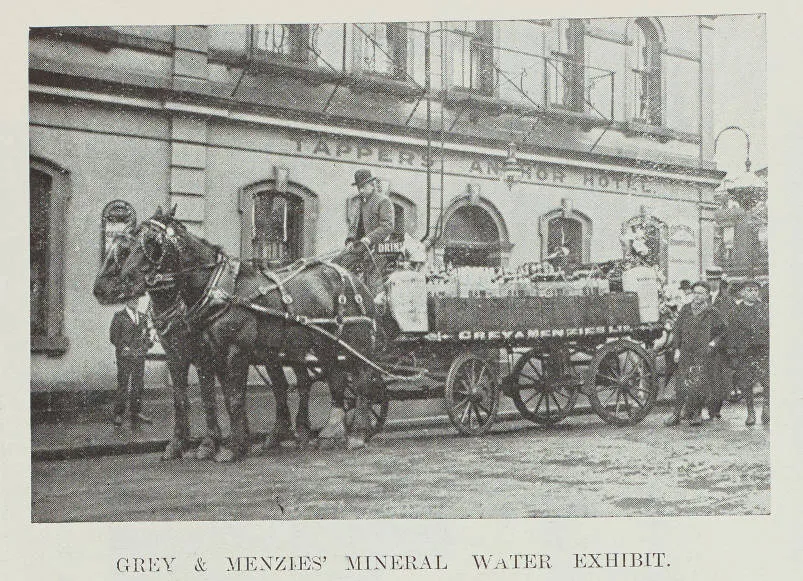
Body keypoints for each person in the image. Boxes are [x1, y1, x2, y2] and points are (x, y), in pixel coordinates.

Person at [664, 281, 727, 427]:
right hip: (686, 352)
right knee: (681, 384)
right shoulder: (686, 309)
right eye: (695, 293)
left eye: (701, 293)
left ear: (707, 295)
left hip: (702, 354)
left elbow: (723, 331)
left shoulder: (712, 312)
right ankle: (676, 414)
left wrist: (713, 343)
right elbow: (677, 331)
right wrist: (677, 349)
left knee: (698, 383)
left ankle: (696, 414)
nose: (697, 296)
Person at [338, 169, 395, 295]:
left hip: (378, 249)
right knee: (339, 265)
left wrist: (369, 238)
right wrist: (350, 240)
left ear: (372, 185)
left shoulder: (383, 201)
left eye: (363, 187)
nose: (361, 191)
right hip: (360, 247)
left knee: (372, 280)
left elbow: (387, 226)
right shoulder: (359, 204)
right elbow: (354, 226)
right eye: (359, 187)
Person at [728, 279, 770, 425]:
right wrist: (732, 353)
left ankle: (766, 408)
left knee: (767, 381)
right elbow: (731, 333)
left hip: (763, 350)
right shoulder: (735, 311)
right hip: (745, 352)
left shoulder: (765, 308)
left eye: (755, 290)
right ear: (741, 293)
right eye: (749, 290)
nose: (753, 293)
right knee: (746, 383)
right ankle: (750, 412)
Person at [109, 297, 153, 426]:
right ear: (127, 301)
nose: (135, 301)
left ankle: (136, 412)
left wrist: (146, 346)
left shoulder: (142, 317)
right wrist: (123, 347)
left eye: (136, 299)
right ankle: (118, 414)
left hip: (139, 356)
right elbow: (113, 337)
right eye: (132, 299)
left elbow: (147, 336)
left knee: (138, 384)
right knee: (123, 384)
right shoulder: (119, 316)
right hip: (125, 357)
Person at [705, 267, 736, 419]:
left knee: (719, 377)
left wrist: (715, 341)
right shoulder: (702, 297)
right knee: (705, 376)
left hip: (721, 344)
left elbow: (729, 325)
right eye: (710, 280)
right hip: (703, 341)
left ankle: (715, 409)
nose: (713, 283)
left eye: (715, 280)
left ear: (720, 281)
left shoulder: (727, 300)